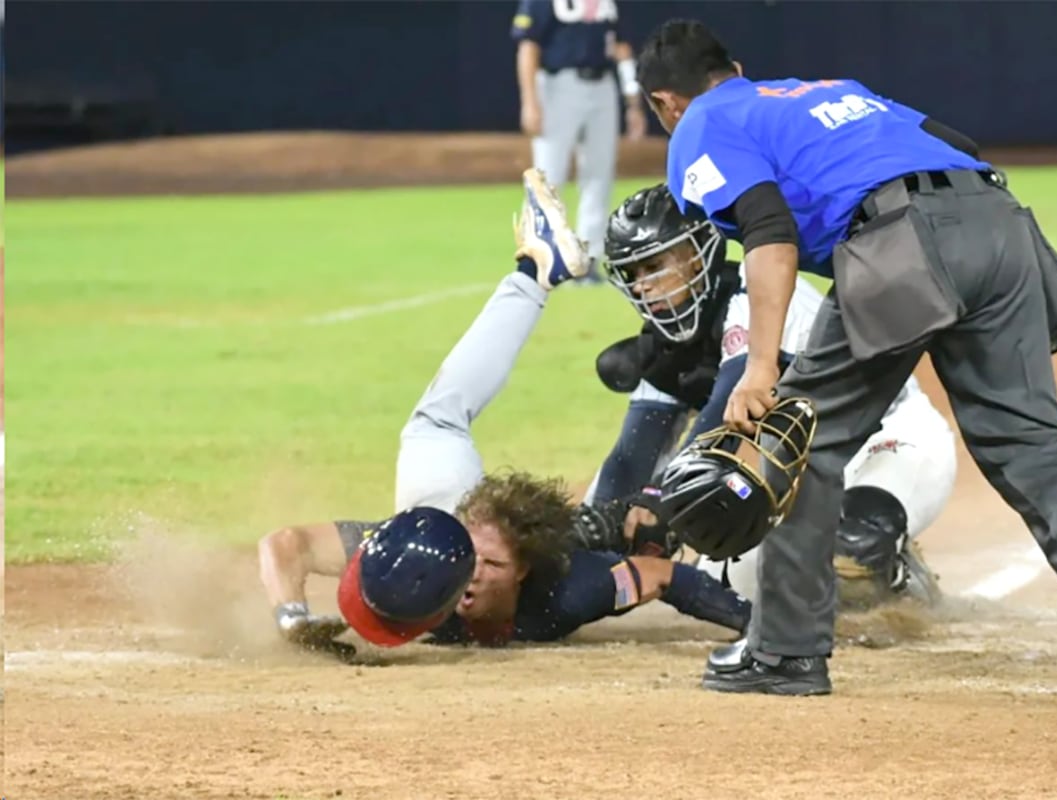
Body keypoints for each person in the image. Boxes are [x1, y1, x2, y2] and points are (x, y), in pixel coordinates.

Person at [636, 19, 1057, 702]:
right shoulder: (826, 90)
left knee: (800, 439)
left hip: (899, 240)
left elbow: (769, 231)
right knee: (1025, 432)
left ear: (664, 102)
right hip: (999, 221)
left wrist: (761, 366)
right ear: (735, 69)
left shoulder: (698, 127)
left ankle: (784, 651)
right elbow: (956, 146)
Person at [257, 169, 752, 658]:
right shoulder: (417, 545)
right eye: (473, 557)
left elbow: (663, 577)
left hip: (551, 546)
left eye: (490, 563)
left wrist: (756, 622)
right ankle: (535, 274)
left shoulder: (568, 594)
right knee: (434, 422)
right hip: (447, 509)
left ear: (521, 572)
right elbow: (286, 545)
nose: (471, 576)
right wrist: (292, 618)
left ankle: (535, 274)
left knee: (439, 424)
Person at [587, 183, 956, 609]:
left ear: (698, 253)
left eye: (654, 265)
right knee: (728, 579)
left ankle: (900, 573)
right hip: (800, 472)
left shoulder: (760, 292)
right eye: (632, 275)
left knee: (853, 551)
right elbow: (632, 454)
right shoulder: (665, 347)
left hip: (885, 440)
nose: (643, 286)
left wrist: (657, 504)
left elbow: (727, 412)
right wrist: (599, 522)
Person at [512, 0, 647, 282]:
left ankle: (587, 261)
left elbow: (621, 48)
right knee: (547, 176)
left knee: (599, 174)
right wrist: (530, 101)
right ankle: (538, 256)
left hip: (602, 85)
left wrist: (633, 101)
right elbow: (528, 46)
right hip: (558, 84)